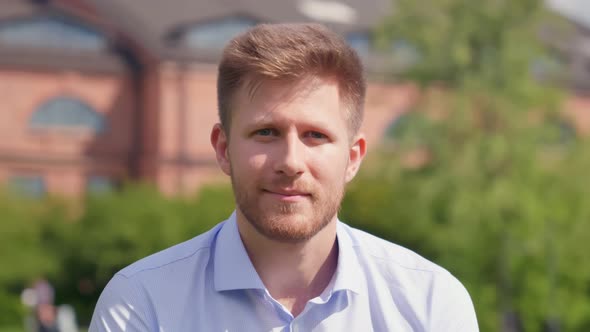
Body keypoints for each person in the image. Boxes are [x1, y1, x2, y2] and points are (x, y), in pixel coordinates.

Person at [90, 23, 479, 331]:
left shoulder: (429, 302)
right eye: (266, 133)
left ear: (353, 157)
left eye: (316, 135)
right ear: (223, 148)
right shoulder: (142, 302)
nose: (291, 161)